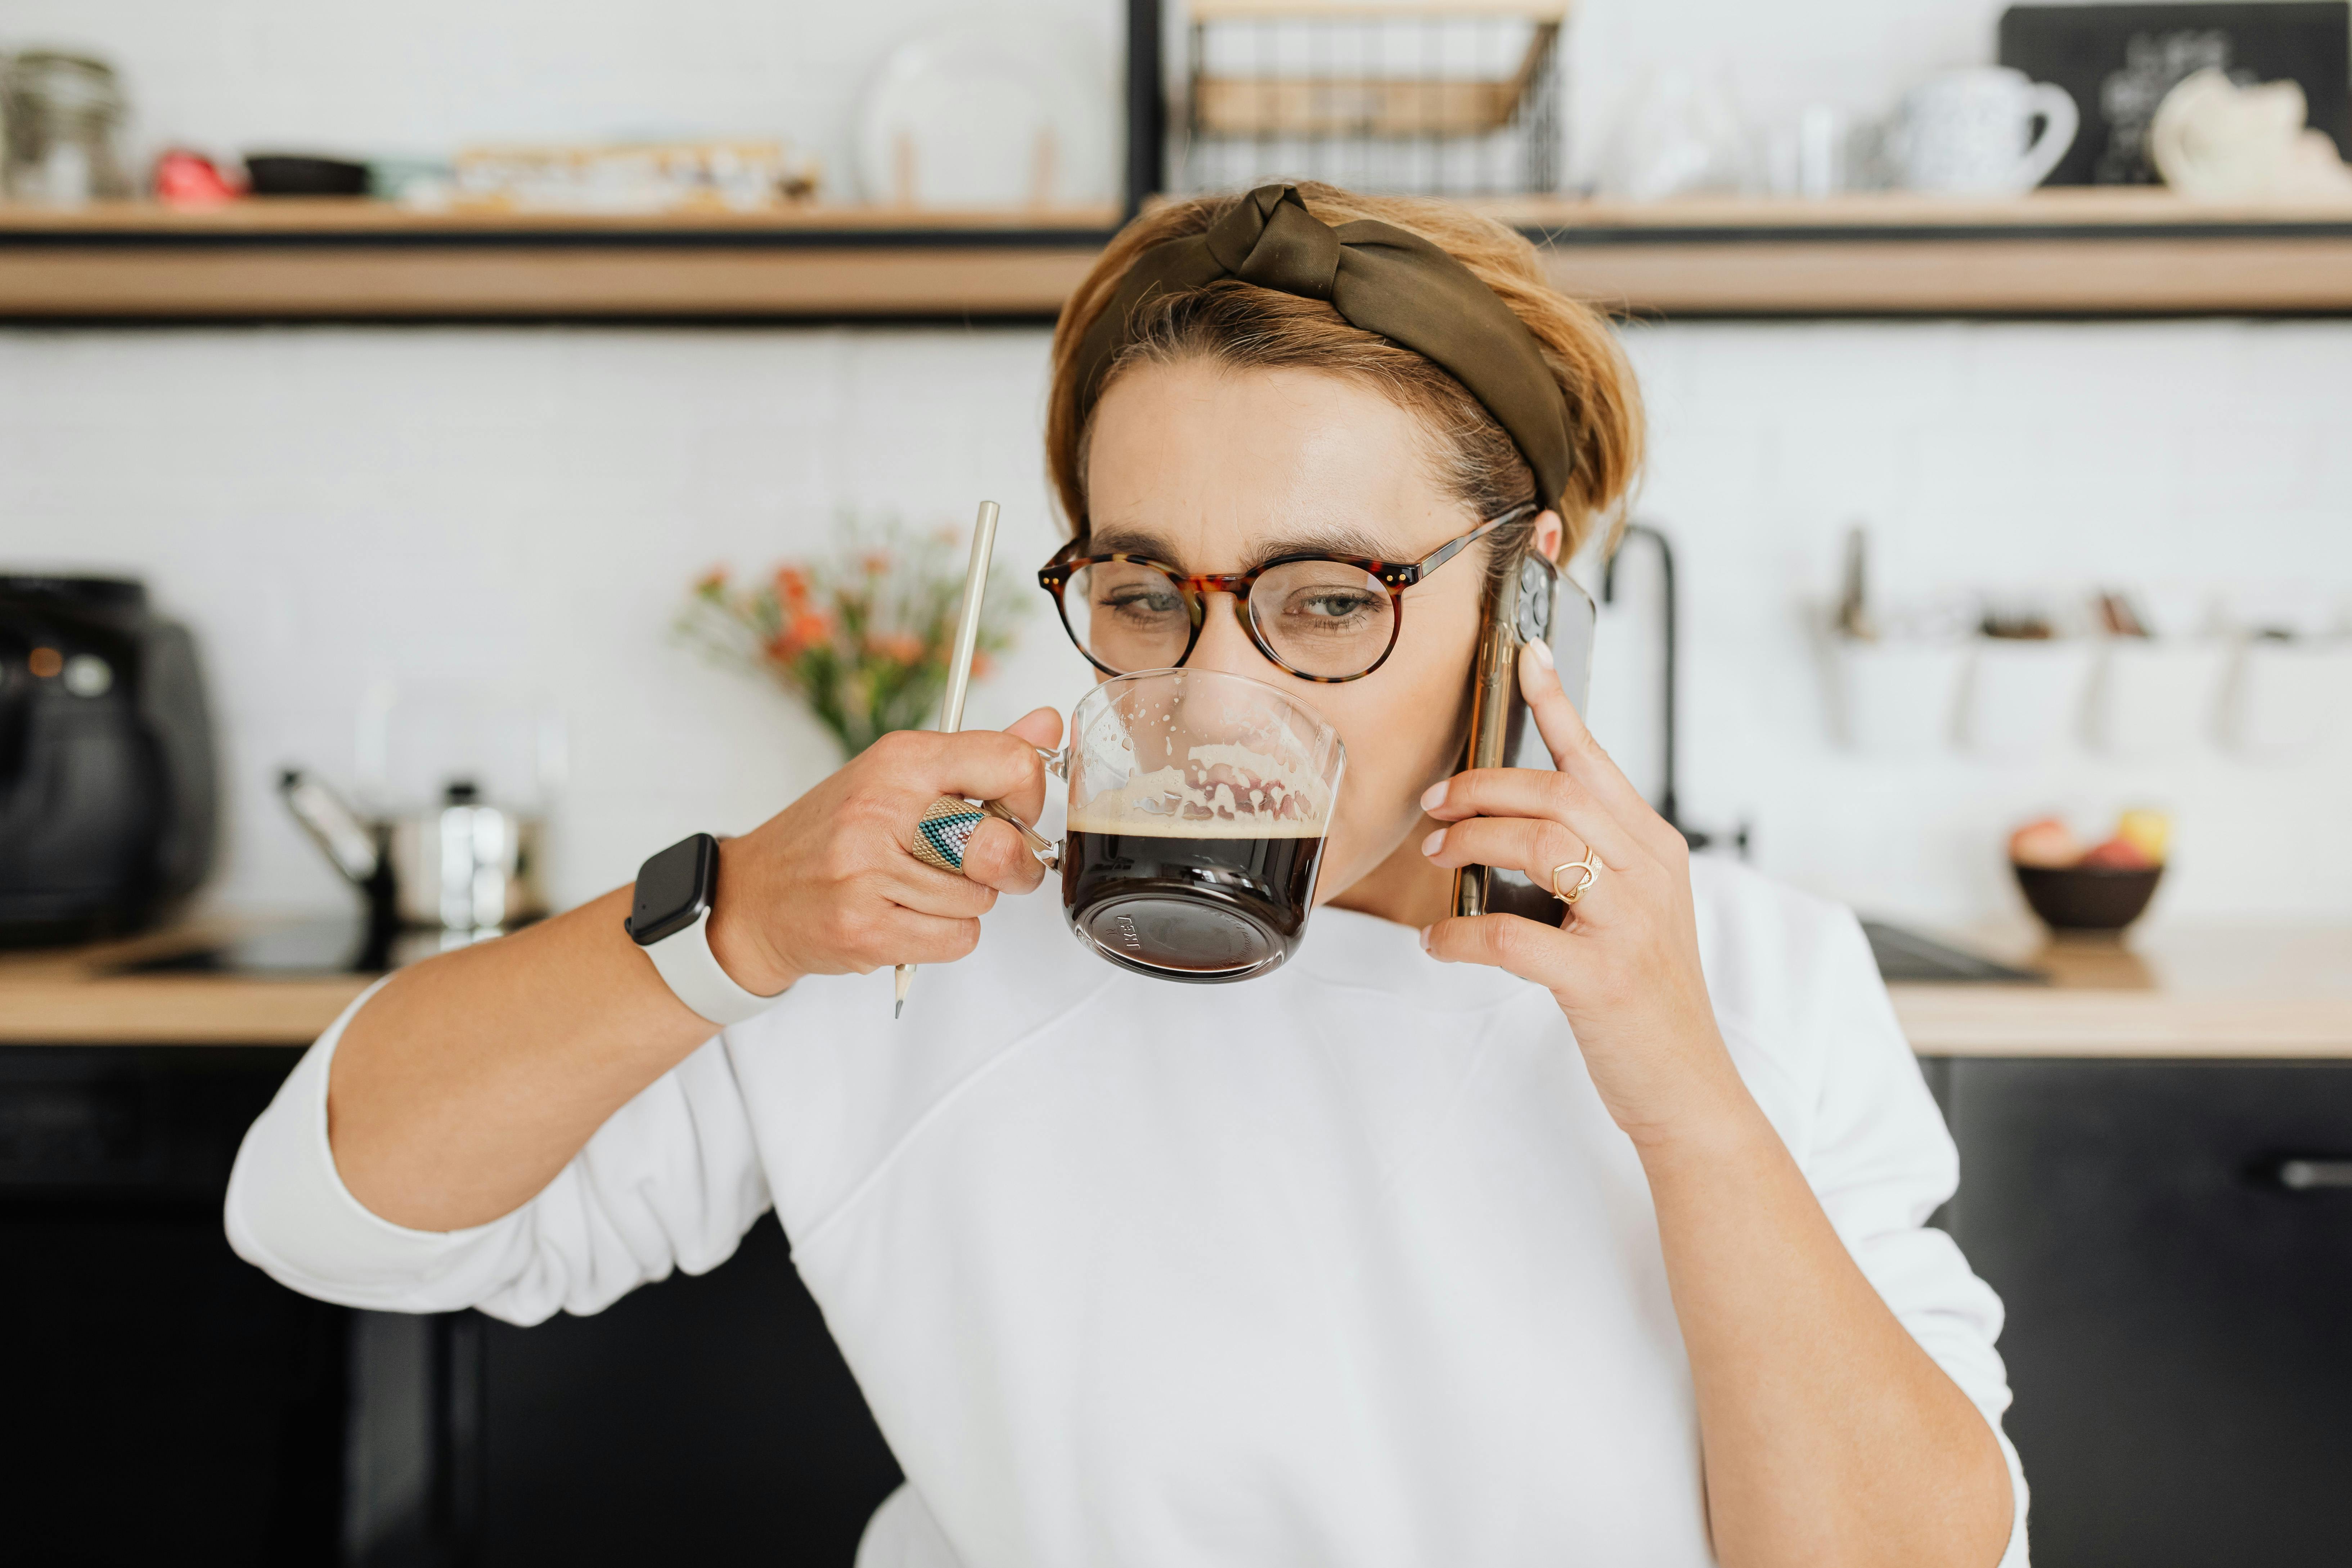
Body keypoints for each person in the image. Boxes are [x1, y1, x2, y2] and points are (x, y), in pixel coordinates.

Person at [227, 183, 2026, 1567]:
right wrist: (731, 922)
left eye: (1329, 601)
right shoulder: (902, 950)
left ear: (1525, 589)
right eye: (1150, 597)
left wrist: (1682, 1093)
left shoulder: (1758, 981)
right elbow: (323, 1217)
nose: (1216, 696)